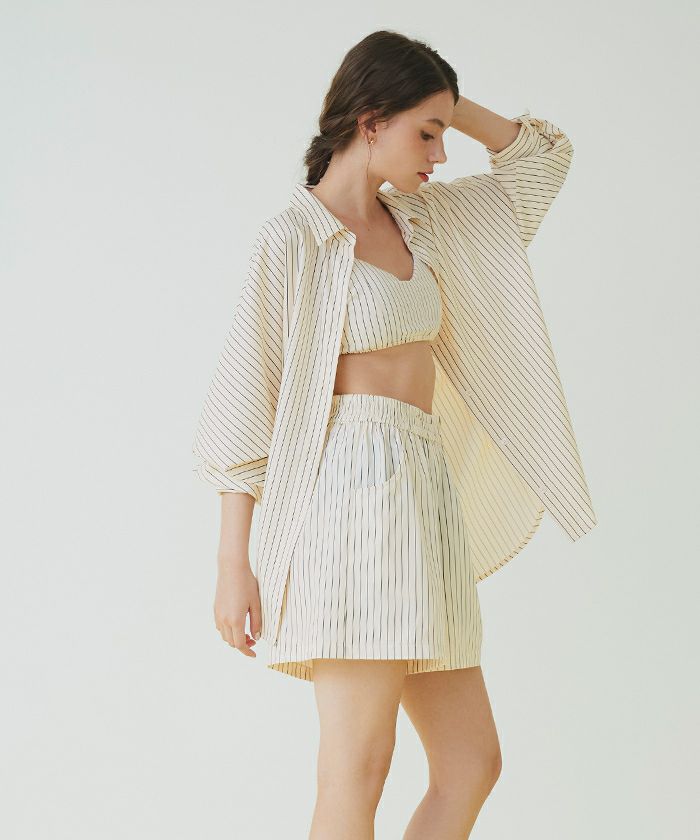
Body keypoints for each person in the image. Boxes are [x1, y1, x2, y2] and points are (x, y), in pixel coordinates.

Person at [192, 29, 596, 840]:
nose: (442, 154)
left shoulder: (427, 222)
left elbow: (540, 161)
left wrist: (443, 97)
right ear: (369, 121)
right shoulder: (292, 239)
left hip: (424, 501)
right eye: (427, 133)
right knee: (358, 767)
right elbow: (244, 406)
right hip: (346, 509)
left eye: (444, 134)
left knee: (470, 762)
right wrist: (234, 565)